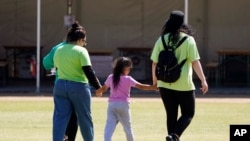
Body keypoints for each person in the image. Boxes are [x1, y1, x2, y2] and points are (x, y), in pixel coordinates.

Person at [150, 10, 208, 141]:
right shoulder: (189, 40)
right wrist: (203, 80)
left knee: (171, 114)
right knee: (188, 113)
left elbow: (154, 63)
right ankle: (174, 136)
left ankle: (172, 137)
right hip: (184, 85)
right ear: (182, 23)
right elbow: (195, 62)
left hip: (164, 83)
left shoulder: (161, 39)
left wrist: (155, 81)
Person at [52, 21, 102, 141]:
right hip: (79, 87)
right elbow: (88, 71)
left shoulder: (59, 50)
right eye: (84, 41)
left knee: (59, 118)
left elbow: (56, 68)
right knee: (84, 118)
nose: (84, 44)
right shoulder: (81, 51)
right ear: (80, 39)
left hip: (60, 86)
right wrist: (98, 87)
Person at [96, 56, 157, 141]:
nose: (129, 70)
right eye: (129, 68)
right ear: (126, 68)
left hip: (112, 105)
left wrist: (98, 92)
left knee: (109, 127)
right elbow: (141, 86)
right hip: (123, 105)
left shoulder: (111, 77)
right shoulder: (128, 79)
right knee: (128, 128)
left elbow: (103, 89)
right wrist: (153, 87)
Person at [43, 41, 78, 141]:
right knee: (73, 117)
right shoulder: (79, 49)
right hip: (76, 85)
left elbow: (46, 64)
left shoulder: (57, 48)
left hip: (60, 85)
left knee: (60, 116)